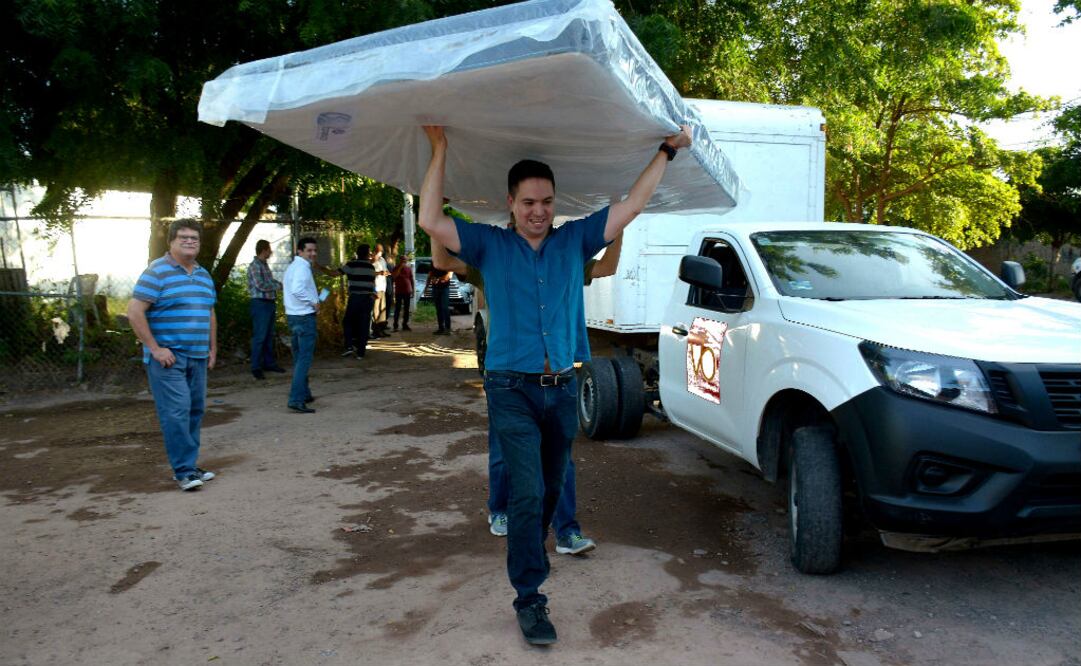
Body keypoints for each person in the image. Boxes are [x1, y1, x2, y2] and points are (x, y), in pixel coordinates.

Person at [418, 123, 692, 645]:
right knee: (526, 494)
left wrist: (666, 152)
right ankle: (530, 596)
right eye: (528, 202)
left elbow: (632, 206)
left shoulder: (574, 241)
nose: (538, 211)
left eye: (545, 201)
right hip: (510, 388)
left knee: (545, 490)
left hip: (563, 387)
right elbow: (432, 220)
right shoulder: (490, 246)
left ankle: (534, 542)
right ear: (511, 203)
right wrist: (441, 149)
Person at [432, 231, 624, 553]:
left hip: (554, 379)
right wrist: (433, 216)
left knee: (560, 460)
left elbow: (607, 267)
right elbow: (441, 261)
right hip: (508, 379)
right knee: (506, 452)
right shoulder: (493, 260)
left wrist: (621, 223)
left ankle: (566, 531)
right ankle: (501, 510)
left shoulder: (562, 262)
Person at [127, 219, 218, 491]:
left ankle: (189, 466)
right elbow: (134, 311)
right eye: (184, 238)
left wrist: (212, 347)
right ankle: (183, 471)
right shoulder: (157, 272)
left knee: (194, 411)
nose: (190, 242)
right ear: (171, 242)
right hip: (169, 358)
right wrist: (155, 348)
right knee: (176, 412)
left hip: (198, 355)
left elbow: (209, 312)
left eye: (195, 238)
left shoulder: (203, 275)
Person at [284, 237, 320, 414]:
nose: (312, 253)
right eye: (309, 250)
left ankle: (304, 393)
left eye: (314, 250)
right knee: (303, 360)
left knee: (299, 359)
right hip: (304, 317)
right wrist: (313, 302)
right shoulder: (303, 268)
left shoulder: (293, 266)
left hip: (293, 316)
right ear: (300, 251)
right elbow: (297, 290)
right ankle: (296, 398)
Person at [247, 239, 286, 380]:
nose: (271, 251)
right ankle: (256, 367)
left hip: (268, 303)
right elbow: (260, 285)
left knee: (269, 335)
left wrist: (281, 284)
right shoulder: (255, 266)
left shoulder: (264, 265)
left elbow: (269, 282)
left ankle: (269, 363)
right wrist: (277, 286)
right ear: (263, 250)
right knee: (260, 336)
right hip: (260, 303)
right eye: (269, 249)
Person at [330, 244, 376, 358]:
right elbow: (371, 285)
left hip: (355, 298)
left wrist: (319, 267)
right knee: (364, 324)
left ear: (357, 253)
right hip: (368, 299)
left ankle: (349, 346)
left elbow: (334, 274)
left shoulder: (351, 265)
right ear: (367, 254)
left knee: (348, 322)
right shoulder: (371, 267)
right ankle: (361, 352)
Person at [371, 243, 391, 338]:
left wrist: (386, 273)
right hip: (376, 288)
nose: (381, 252)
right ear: (375, 251)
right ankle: (376, 331)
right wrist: (380, 272)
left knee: (383, 310)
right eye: (379, 250)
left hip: (383, 287)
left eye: (381, 250)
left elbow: (385, 270)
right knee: (376, 311)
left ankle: (382, 329)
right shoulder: (371, 261)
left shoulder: (382, 260)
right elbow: (369, 272)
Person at [391, 254, 414, 331]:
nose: (404, 261)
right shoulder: (396, 267)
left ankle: (405, 324)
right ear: (400, 260)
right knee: (398, 308)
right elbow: (394, 276)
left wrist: (413, 290)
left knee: (406, 309)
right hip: (399, 291)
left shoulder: (408, 269)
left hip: (407, 291)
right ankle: (395, 325)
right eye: (402, 259)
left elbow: (411, 280)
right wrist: (400, 267)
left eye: (405, 260)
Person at [428, 264, 452, 334]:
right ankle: (441, 328)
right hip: (435, 288)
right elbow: (430, 274)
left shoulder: (447, 260)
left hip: (444, 288)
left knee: (445, 307)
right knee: (438, 308)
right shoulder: (433, 261)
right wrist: (427, 286)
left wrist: (437, 279)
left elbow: (449, 275)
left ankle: (448, 328)